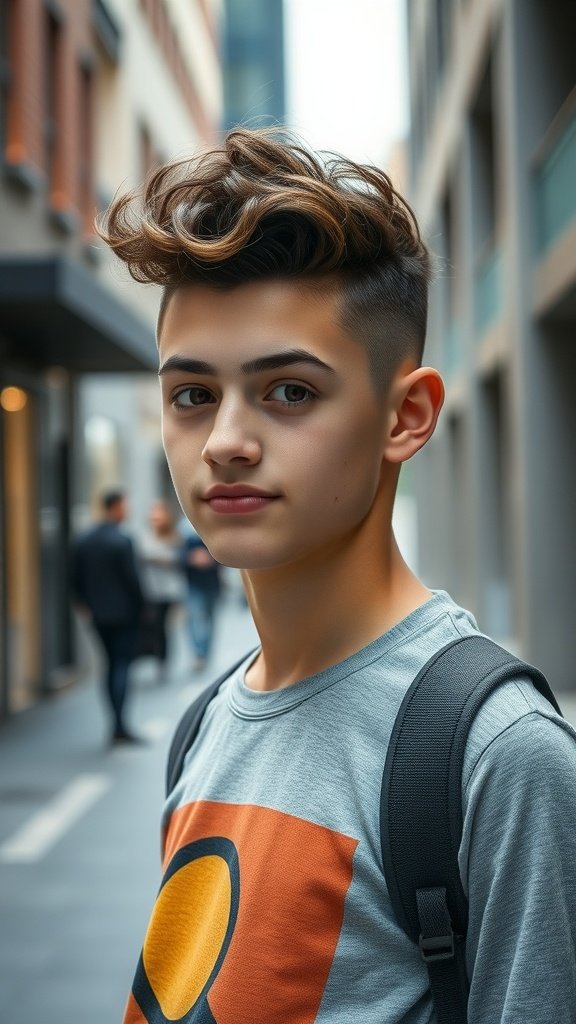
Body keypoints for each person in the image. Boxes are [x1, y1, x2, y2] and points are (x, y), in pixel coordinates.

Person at [100, 129, 576, 1022]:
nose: (227, 441)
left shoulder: (499, 755)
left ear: (407, 416)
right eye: (192, 394)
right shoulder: (207, 722)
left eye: (289, 392)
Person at [72, 488, 144, 744]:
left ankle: (114, 723)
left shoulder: (84, 539)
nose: (128, 510)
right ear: (115, 507)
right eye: (126, 505)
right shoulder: (122, 540)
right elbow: (133, 581)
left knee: (110, 665)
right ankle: (119, 725)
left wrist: (84, 604)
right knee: (122, 665)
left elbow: (74, 577)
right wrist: (143, 608)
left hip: (98, 615)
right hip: (124, 614)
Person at [138, 500, 185, 681]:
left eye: (159, 515)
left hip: (169, 591)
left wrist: (156, 559)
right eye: (153, 516)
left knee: (161, 626)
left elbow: (179, 560)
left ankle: (163, 661)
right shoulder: (145, 536)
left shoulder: (174, 536)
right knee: (152, 626)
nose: (155, 519)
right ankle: (154, 657)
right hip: (149, 590)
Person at [178, 517, 221, 672]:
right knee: (194, 619)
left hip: (212, 584)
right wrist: (192, 558)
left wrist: (211, 559)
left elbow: (227, 557)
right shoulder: (184, 530)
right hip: (194, 584)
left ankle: (205, 652)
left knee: (209, 620)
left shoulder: (216, 527)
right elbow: (179, 557)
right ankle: (199, 654)